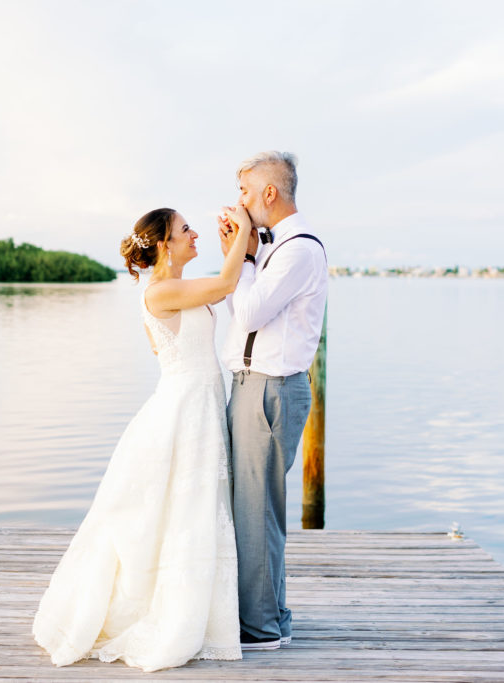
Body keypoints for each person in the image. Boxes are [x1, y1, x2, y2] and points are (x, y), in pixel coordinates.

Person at [32, 205, 254, 672]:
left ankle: (195, 609)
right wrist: (245, 233)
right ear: (162, 244)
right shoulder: (161, 291)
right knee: (178, 511)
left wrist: (237, 245)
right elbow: (226, 284)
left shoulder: (172, 289)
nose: (195, 234)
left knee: (187, 510)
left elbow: (205, 304)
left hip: (197, 406)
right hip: (183, 412)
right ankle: (165, 613)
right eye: (185, 230)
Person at [218, 151, 328, 650]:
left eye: (245, 192)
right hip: (257, 385)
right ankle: (274, 617)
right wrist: (240, 257)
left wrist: (242, 261)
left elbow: (251, 313)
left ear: (269, 194)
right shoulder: (274, 247)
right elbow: (237, 302)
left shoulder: (297, 249)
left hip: (269, 389)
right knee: (257, 509)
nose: (239, 201)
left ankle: (259, 628)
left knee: (256, 511)